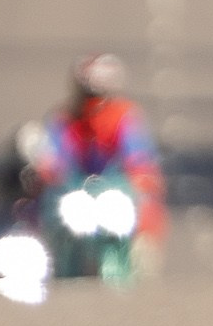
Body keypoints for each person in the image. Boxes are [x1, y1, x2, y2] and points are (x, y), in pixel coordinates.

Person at [28, 54, 167, 249]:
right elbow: (51, 156)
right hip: (74, 195)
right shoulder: (63, 119)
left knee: (143, 228)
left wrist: (141, 175)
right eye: (88, 96)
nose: (94, 105)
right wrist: (47, 172)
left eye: (100, 97)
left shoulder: (124, 117)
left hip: (116, 193)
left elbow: (139, 156)